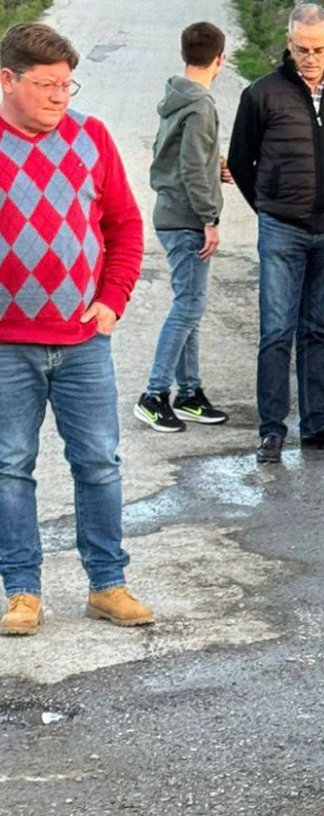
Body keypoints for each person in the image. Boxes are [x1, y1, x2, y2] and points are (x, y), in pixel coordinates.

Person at [0, 23, 152, 635]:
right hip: (8, 346)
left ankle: (108, 584)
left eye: (67, 84)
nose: (61, 96)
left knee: (99, 463)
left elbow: (125, 227)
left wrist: (112, 299)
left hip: (84, 342)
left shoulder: (91, 137)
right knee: (10, 466)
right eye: (46, 85)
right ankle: (22, 592)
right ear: (6, 80)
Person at [227, 2, 324, 464]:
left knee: (317, 331)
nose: (311, 58)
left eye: (319, 49)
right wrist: (269, 206)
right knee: (276, 332)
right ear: (289, 45)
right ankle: (271, 431)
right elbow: (241, 161)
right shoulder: (261, 94)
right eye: (303, 49)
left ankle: (316, 426)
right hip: (282, 229)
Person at [134, 21, 231, 434]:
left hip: (171, 213)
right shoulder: (201, 104)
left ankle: (189, 394)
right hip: (187, 218)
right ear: (220, 59)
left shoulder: (176, 97)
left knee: (189, 304)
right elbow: (191, 165)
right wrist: (210, 217)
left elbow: (173, 154)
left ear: (183, 55)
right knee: (189, 306)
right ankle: (154, 395)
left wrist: (215, 165)